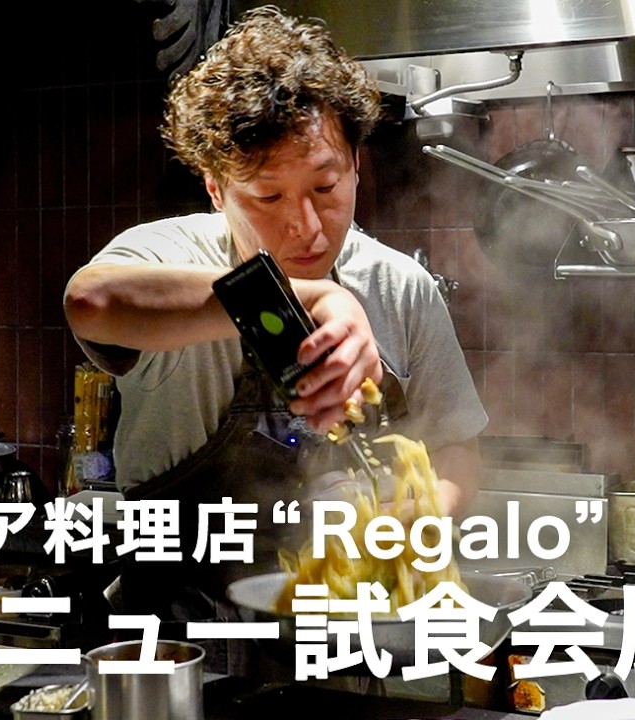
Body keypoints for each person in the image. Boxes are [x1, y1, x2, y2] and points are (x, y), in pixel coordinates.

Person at [63, 5, 487, 624]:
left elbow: (455, 449)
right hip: (183, 642)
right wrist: (307, 296)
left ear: (356, 164)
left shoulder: (400, 287)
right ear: (216, 188)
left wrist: (418, 516)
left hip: (347, 634)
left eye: (325, 187)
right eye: (267, 196)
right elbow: (91, 302)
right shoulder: (176, 256)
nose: (306, 227)